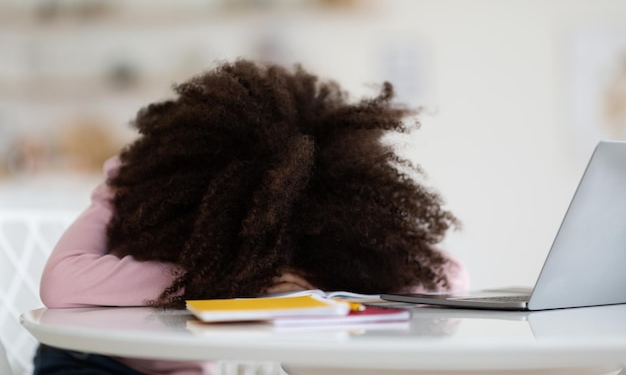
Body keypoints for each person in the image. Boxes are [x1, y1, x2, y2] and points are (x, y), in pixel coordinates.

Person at [34, 59, 469, 375]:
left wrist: (319, 285)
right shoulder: (129, 188)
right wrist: (229, 281)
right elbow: (61, 282)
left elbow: (449, 277)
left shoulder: (308, 234)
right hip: (88, 359)